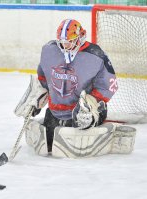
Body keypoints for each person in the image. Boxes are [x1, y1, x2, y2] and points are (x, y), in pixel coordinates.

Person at [14, 19, 136, 158]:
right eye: (62, 41)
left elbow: (109, 86)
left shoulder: (96, 55)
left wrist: (91, 103)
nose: (65, 45)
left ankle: (101, 127)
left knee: (76, 144)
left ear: (80, 37)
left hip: (83, 111)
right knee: (48, 145)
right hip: (56, 111)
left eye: (70, 41)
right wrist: (37, 98)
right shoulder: (49, 50)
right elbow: (43, 78)